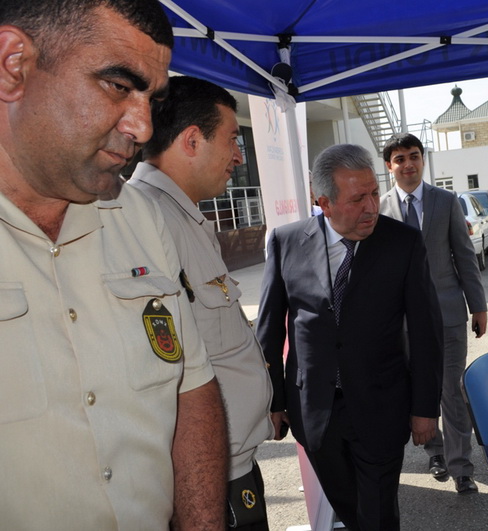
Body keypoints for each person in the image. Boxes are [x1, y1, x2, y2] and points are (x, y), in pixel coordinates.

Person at [0, 1, 228, 529]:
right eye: (118, 86)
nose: (144, 127)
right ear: (14, 65)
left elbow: (192, 388)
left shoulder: (141, 219)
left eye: (152, 97)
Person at [256, 143, 444, 530]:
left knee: (377, 515)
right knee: (349, 510)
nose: (373, 207)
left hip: (381, 407)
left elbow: (427, 330)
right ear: (323, 202)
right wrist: (273, 399)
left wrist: (426, 407)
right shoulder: (285, 242)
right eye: (358, 199)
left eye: (375, 193)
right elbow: (270, 328)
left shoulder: (402, 243)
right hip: (315, 412)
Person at [128, 75, 275, 530]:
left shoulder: (182, 215)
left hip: (232, 465)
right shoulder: (144, 221)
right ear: (192, 140)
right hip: (206, 482)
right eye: (233, 139)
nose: (238, 156)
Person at [380, 133, 488, 494]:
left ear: (423, 160)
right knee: (417, 387)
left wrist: (479, 306)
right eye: (400, 159)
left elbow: (464, 256)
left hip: (448, 314)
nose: (408, 164)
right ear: (389, 166)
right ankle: (435, 450)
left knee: (452, 390)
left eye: (414, 156)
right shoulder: (379, 209)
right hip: (402, 320)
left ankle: (462, 468)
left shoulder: (446, 201)